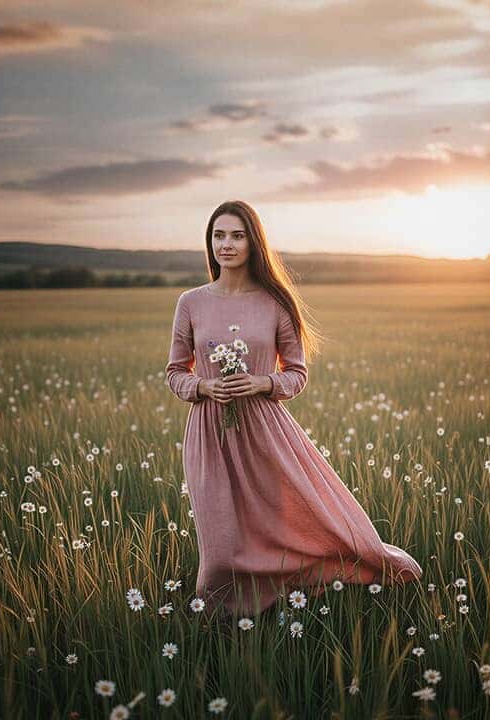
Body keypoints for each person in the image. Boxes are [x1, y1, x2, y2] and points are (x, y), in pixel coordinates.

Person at [165, 199, 422, 620]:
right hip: (210, 433)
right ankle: (214, 629)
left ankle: (279, 605)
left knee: (282, 530)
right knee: (221, 551)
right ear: (209, 243)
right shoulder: (190, 302)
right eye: (218, 235)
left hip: (266, 434)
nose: (226, 244)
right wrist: (205, 386)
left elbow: (297, 374)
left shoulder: (275, 302)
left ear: (253, 242)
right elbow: (175, 372)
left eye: (237, 235)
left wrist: (262, 382)